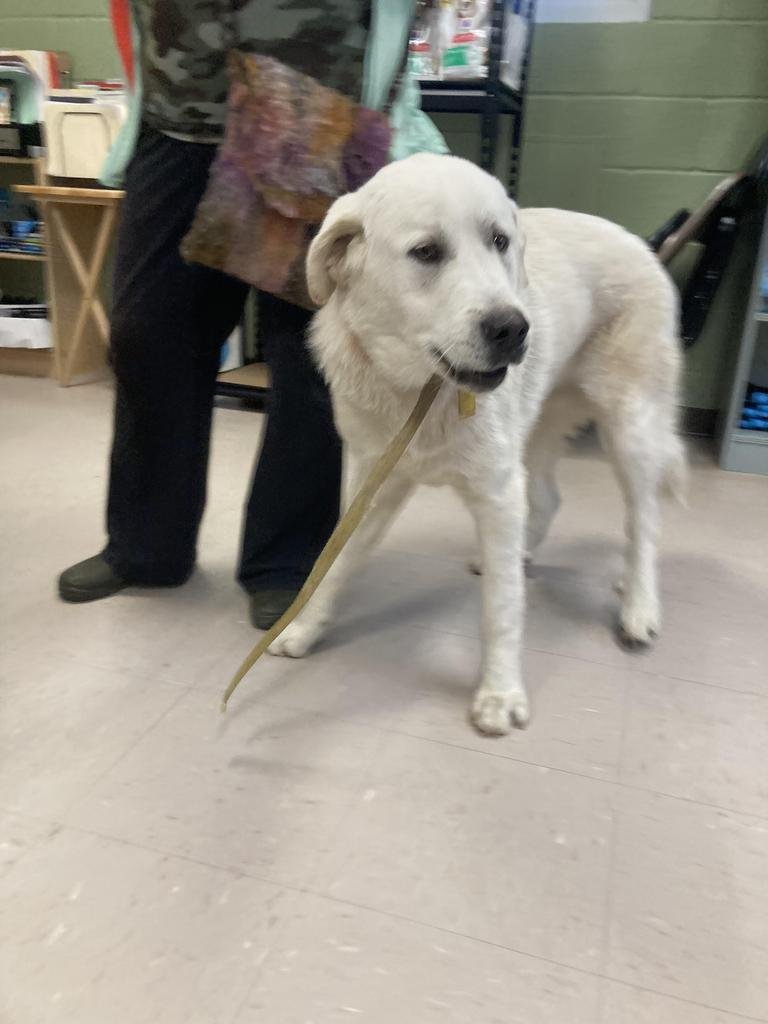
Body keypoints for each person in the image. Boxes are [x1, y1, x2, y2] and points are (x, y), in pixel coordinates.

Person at [58, 0, 445, 629]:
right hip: (176, 120)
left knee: (308, 356)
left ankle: (285, 562)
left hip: (317, 116)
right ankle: (146, 548)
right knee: (146, 337)